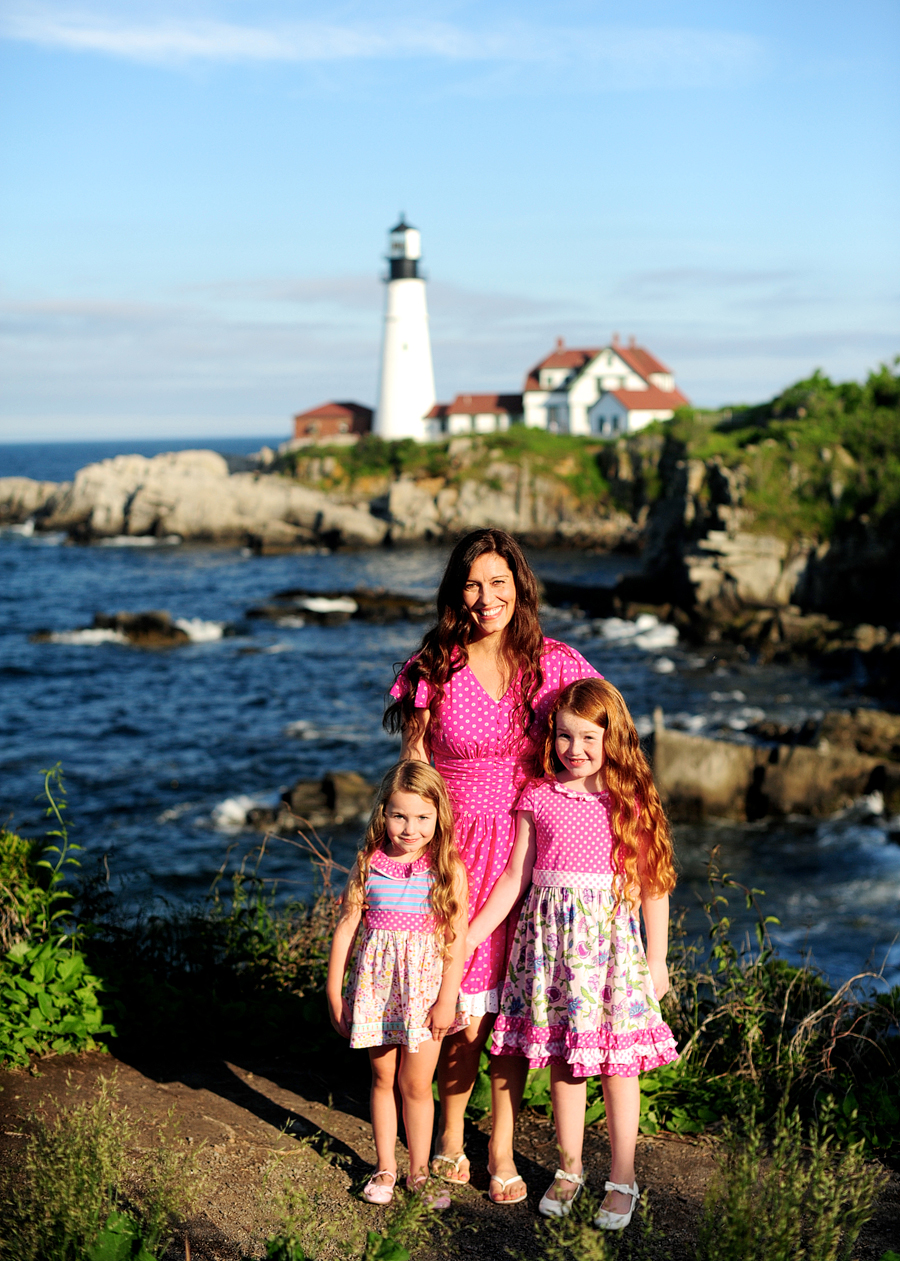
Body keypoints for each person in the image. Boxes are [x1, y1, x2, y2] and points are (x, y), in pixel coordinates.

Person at [385, 528, 600, 1203]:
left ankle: (501, 1142)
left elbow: (605, 735)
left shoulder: (557, 663)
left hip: (533, 850)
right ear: (458, 591)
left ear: (520, 586)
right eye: (473, 584)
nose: (486, 597)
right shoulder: (435, 665)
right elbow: (413, 766)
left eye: (499, 583)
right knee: (459, 1008)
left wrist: (607, 835)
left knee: (515, 1001)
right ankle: (452, 1133)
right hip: (454, 853)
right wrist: (404, 851)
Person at [467, 677, 677, 1228]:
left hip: (610, 955)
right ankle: (570, 1167)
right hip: (552, 954)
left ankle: (623, 1177)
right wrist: (469, 934)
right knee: (564, 1061)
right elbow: (515, 877)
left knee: (617, 1066)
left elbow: (655, 885)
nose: (574, 750)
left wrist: (658, 961)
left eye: (588, 737)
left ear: (614, 737)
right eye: (564, 737)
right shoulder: (538, 796)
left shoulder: (628, 799)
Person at [326, 761, 469, 1208]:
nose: (410, 828)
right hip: (376, 992)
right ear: (383, 813)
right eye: (399, 816)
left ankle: (420, 1172)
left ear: (438, 817)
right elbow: (348, 927)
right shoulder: (369, 864)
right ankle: (385, 1166)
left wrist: (447, 999)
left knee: (417, 1084)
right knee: (382, 1076)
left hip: (425, 997)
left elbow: (456, 939)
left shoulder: (447, 870)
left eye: (422, 818)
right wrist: (335, 991)